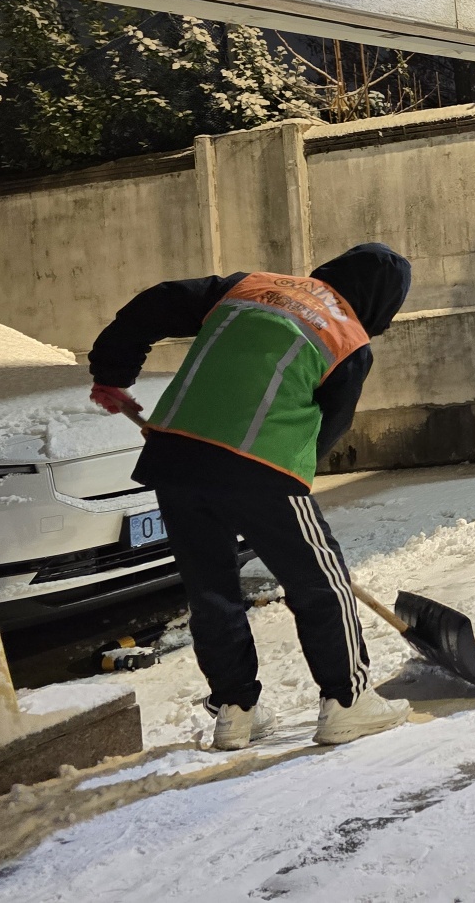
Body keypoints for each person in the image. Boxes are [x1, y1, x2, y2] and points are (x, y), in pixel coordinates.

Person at [88, 243, 414, 750]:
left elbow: (156, 302)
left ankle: (236, 712)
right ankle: (347, 703)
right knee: (320, 583)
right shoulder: (349, 338)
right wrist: (287, 480)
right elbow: (329, 428)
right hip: (262, 468)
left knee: (211, 590)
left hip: (177, 457)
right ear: (382, 304)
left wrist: (113, 372)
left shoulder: (248, 287)